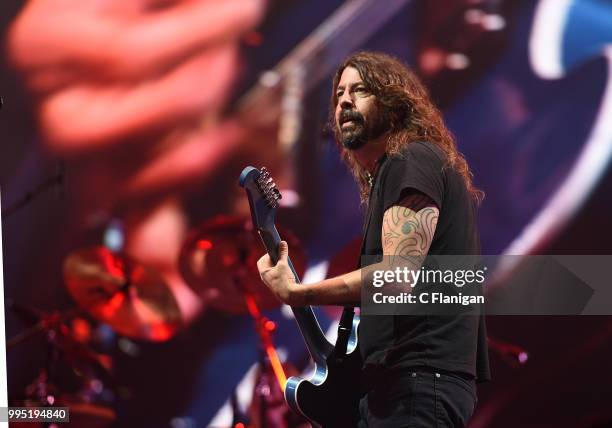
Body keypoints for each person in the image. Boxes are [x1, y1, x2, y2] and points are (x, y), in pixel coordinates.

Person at [257, 51, 490, 427]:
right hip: (395, 389)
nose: (345, 100)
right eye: (339, 95)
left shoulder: (411, 161)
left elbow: (396, 276)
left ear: (394, 104)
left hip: (414, 388)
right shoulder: (396, 174)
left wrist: (298, 293)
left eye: (360, 90)